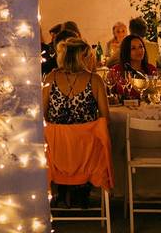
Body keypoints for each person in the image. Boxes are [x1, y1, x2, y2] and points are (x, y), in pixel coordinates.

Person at [42, 38, 110, 208]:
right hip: (86, 157)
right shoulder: (95, 80)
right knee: (99, 138)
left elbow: (41, 116)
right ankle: (81, 190)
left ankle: (63, 190)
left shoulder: (50, 78)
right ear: (84, 57)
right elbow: (105, 118)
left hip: (57, 155)